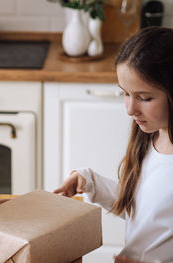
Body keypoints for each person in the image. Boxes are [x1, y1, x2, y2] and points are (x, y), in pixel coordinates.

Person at [54, 26, 173, 263]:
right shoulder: (151, 140)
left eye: (144, 97)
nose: (130, 109)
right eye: (125, 94)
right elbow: (144, 207)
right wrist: (89, 181)